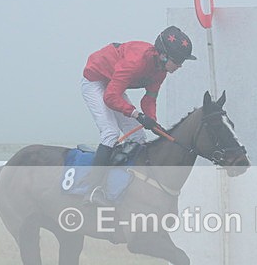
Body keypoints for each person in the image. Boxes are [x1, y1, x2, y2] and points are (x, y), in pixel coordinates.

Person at [80, 26, 197, 204]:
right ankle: (91, 190)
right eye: (178, 60)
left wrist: (153, 122)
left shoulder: (161, 71)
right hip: (95, 81)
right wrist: (137, 115)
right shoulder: (136, 62)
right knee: (111, 132)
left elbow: (149, 100)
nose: (180, 65)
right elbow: (110, 97)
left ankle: (128, 183)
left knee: (138, 135)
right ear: (163, 55)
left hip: (113, 84)